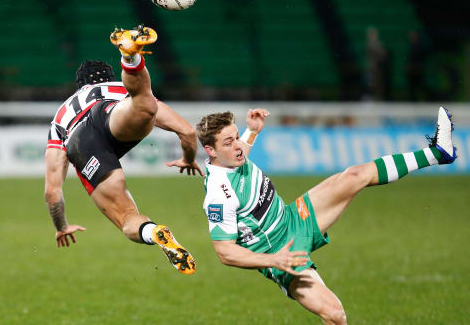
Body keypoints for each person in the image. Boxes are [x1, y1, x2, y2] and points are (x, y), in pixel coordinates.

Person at [196, 107, 457, 323]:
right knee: (334, 314)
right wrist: (273, 260)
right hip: (283, 252)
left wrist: (252, 131)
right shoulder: (219, 195)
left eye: (236, 137)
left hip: (293, 218)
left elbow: (241, 154)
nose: (238, 147)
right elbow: (225, 252)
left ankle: (438, 153)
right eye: (228, 142)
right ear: (211, 150)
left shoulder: (233, 157)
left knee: (355, 176)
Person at [44, 25, 202, 275]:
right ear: (108, 77)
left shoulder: (60, 116)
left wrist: (61, 226)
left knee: (128, 218)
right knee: (143, 102)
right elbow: (188, 132)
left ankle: (154, 232)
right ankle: (130, 58)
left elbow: (52, 192)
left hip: (79, 139)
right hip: (111, 112)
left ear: (79, 86)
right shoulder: (115, 87)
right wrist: (188, 158)